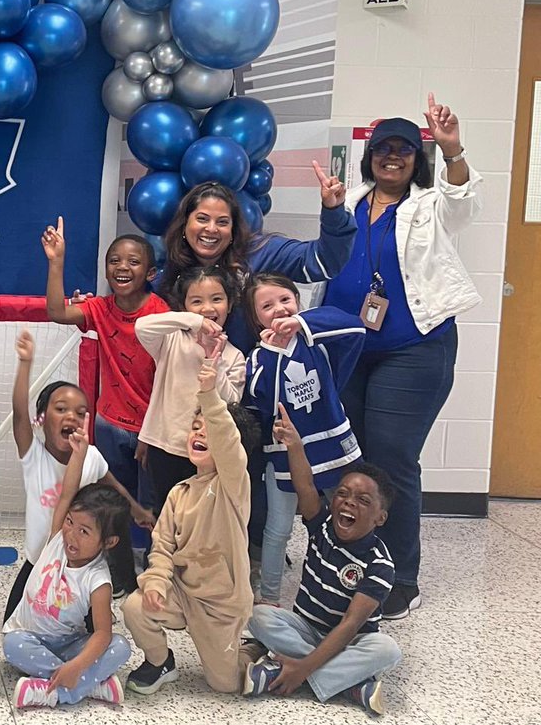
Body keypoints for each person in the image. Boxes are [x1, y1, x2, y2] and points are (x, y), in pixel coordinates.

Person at [324, 97, 481, 619]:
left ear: (418, 159)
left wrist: (453, 148)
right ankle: (351, 562)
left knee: (391, 460)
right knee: (352, 459)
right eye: (384, 149)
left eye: (405, 151)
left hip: (414, 350)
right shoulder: (350, 204)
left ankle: (400, 577)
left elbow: (463, 202)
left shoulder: (430, 204)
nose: (393, 157)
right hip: (350, 349)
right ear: (370, 156)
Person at [242, 406, 402, 717]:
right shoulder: (323, 525)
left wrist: (302, 669)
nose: (349, 502)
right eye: (343, 494)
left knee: (387, 650)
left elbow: (350, 625)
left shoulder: (380, 564)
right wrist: (295, 445)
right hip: (306, 628)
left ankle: (285, 672)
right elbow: (305, 486)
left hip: (350, 640)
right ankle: (351, 685)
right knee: (257, 614)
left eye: (363, 500)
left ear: (380, 518)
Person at [122, 345, 260, 696]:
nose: (200, 434)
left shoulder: (232, 486)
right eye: (195, 427)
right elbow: (163, 547)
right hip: (182, 593)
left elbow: (228, 442)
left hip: (221, 605)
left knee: (226, 685)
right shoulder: (179, 493)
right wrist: (154, 583)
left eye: (208, 430)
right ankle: (160, 662)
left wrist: (209, 395)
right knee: (135, 606)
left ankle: (254, 650)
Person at [42, 221, 169, 588]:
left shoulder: (161, 315)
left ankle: (154, 577)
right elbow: (56, 312)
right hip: (110, 424)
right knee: (114, 504)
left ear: (150, 272)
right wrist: (56, 262)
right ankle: (120, 574)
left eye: (133, 261)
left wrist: (151, 432)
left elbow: (168, 383)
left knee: (150, 506)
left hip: (151, 429)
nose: (122, 267)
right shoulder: (100, 308)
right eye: (114, 260)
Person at [3, 329, 154, 622]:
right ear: (42, 419)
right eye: (61, 409)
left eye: (80, 411)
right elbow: (19, 412)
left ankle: (121, 586)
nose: (71, 416)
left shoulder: (90, 456)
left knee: (82, 629)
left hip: (80, 565)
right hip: (40, 560)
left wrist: (136, 510)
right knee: (15, 623)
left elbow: (111, 484)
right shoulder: (35, 456)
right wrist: (25, 363)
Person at [245, 273, 366, 605]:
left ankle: (348, 586)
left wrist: (301, 322)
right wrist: (273, 352)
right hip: (283, 457)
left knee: (345, 517)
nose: (279, 309)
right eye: (266, 306)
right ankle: (269, 598)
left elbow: (355, 327)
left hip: (333, 449)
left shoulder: (318, 340)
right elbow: (264, 406)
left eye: (285, 300)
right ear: (256, 318)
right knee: (278, 529)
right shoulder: (257, 358)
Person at [4, 414, 132, 709]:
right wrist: (80, 453)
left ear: (109, 542)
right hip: (30, 637)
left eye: (84, 531)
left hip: (70, 643)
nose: (71, 533)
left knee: (120, 648)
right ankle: (92, 685)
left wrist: (77, 664)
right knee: (12, 645)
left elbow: (102, 634)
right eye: (71, 522)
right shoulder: (58, 540)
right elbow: (67, 495)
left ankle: (57, 690)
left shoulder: (98, 578)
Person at [159, 163, 355, 351]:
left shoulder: (263, 252)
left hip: (253, 374)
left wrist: (333, 212)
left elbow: (325, 261)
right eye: (202, 219)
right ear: (185, 224)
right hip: (194, 375)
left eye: (222, 221)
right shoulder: (172, 270)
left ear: (233, 229)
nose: (211, 229)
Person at [134, 266, 246, 515]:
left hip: (209, 452)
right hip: (166, 446)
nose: (208, 308)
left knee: (201, 518)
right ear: (184, 307)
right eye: (197, 301)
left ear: (229, 304)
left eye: (217, 299)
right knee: (165, 514)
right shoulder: (172, 338)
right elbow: (142, 326)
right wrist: (194, 322)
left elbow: (231, 402)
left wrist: (210, 359)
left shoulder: (234, 356)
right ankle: (161, 555)